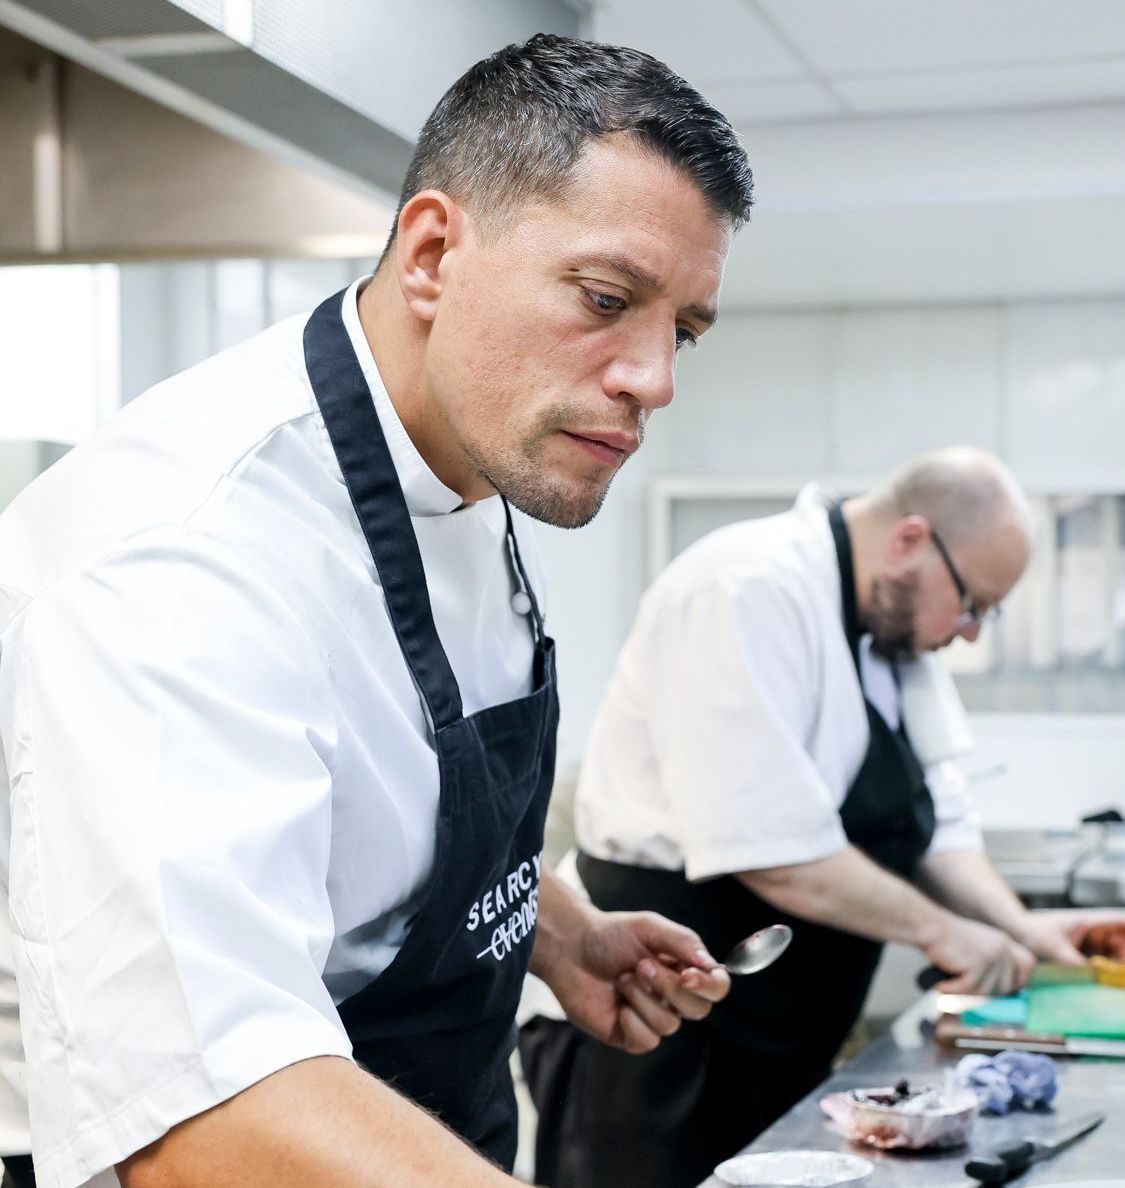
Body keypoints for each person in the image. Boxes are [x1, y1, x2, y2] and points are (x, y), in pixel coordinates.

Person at [0, 34, 754, 1188]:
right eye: (609, 299)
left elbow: (377, 790)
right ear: (434, 255)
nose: (653, 378)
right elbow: (206, 1103)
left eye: (684, 335)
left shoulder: (472, 457)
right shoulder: (184, 552)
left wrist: (559, 934)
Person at [520, 448, 1125, 1188]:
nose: (969, 632)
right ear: (909, 540)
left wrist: (1016, 928)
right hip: (653, 1026)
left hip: (779, 1036)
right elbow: (771, 851)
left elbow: (938, 825)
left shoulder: (895, 632)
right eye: (971, 604)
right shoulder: (746, 586)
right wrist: (945, 932)